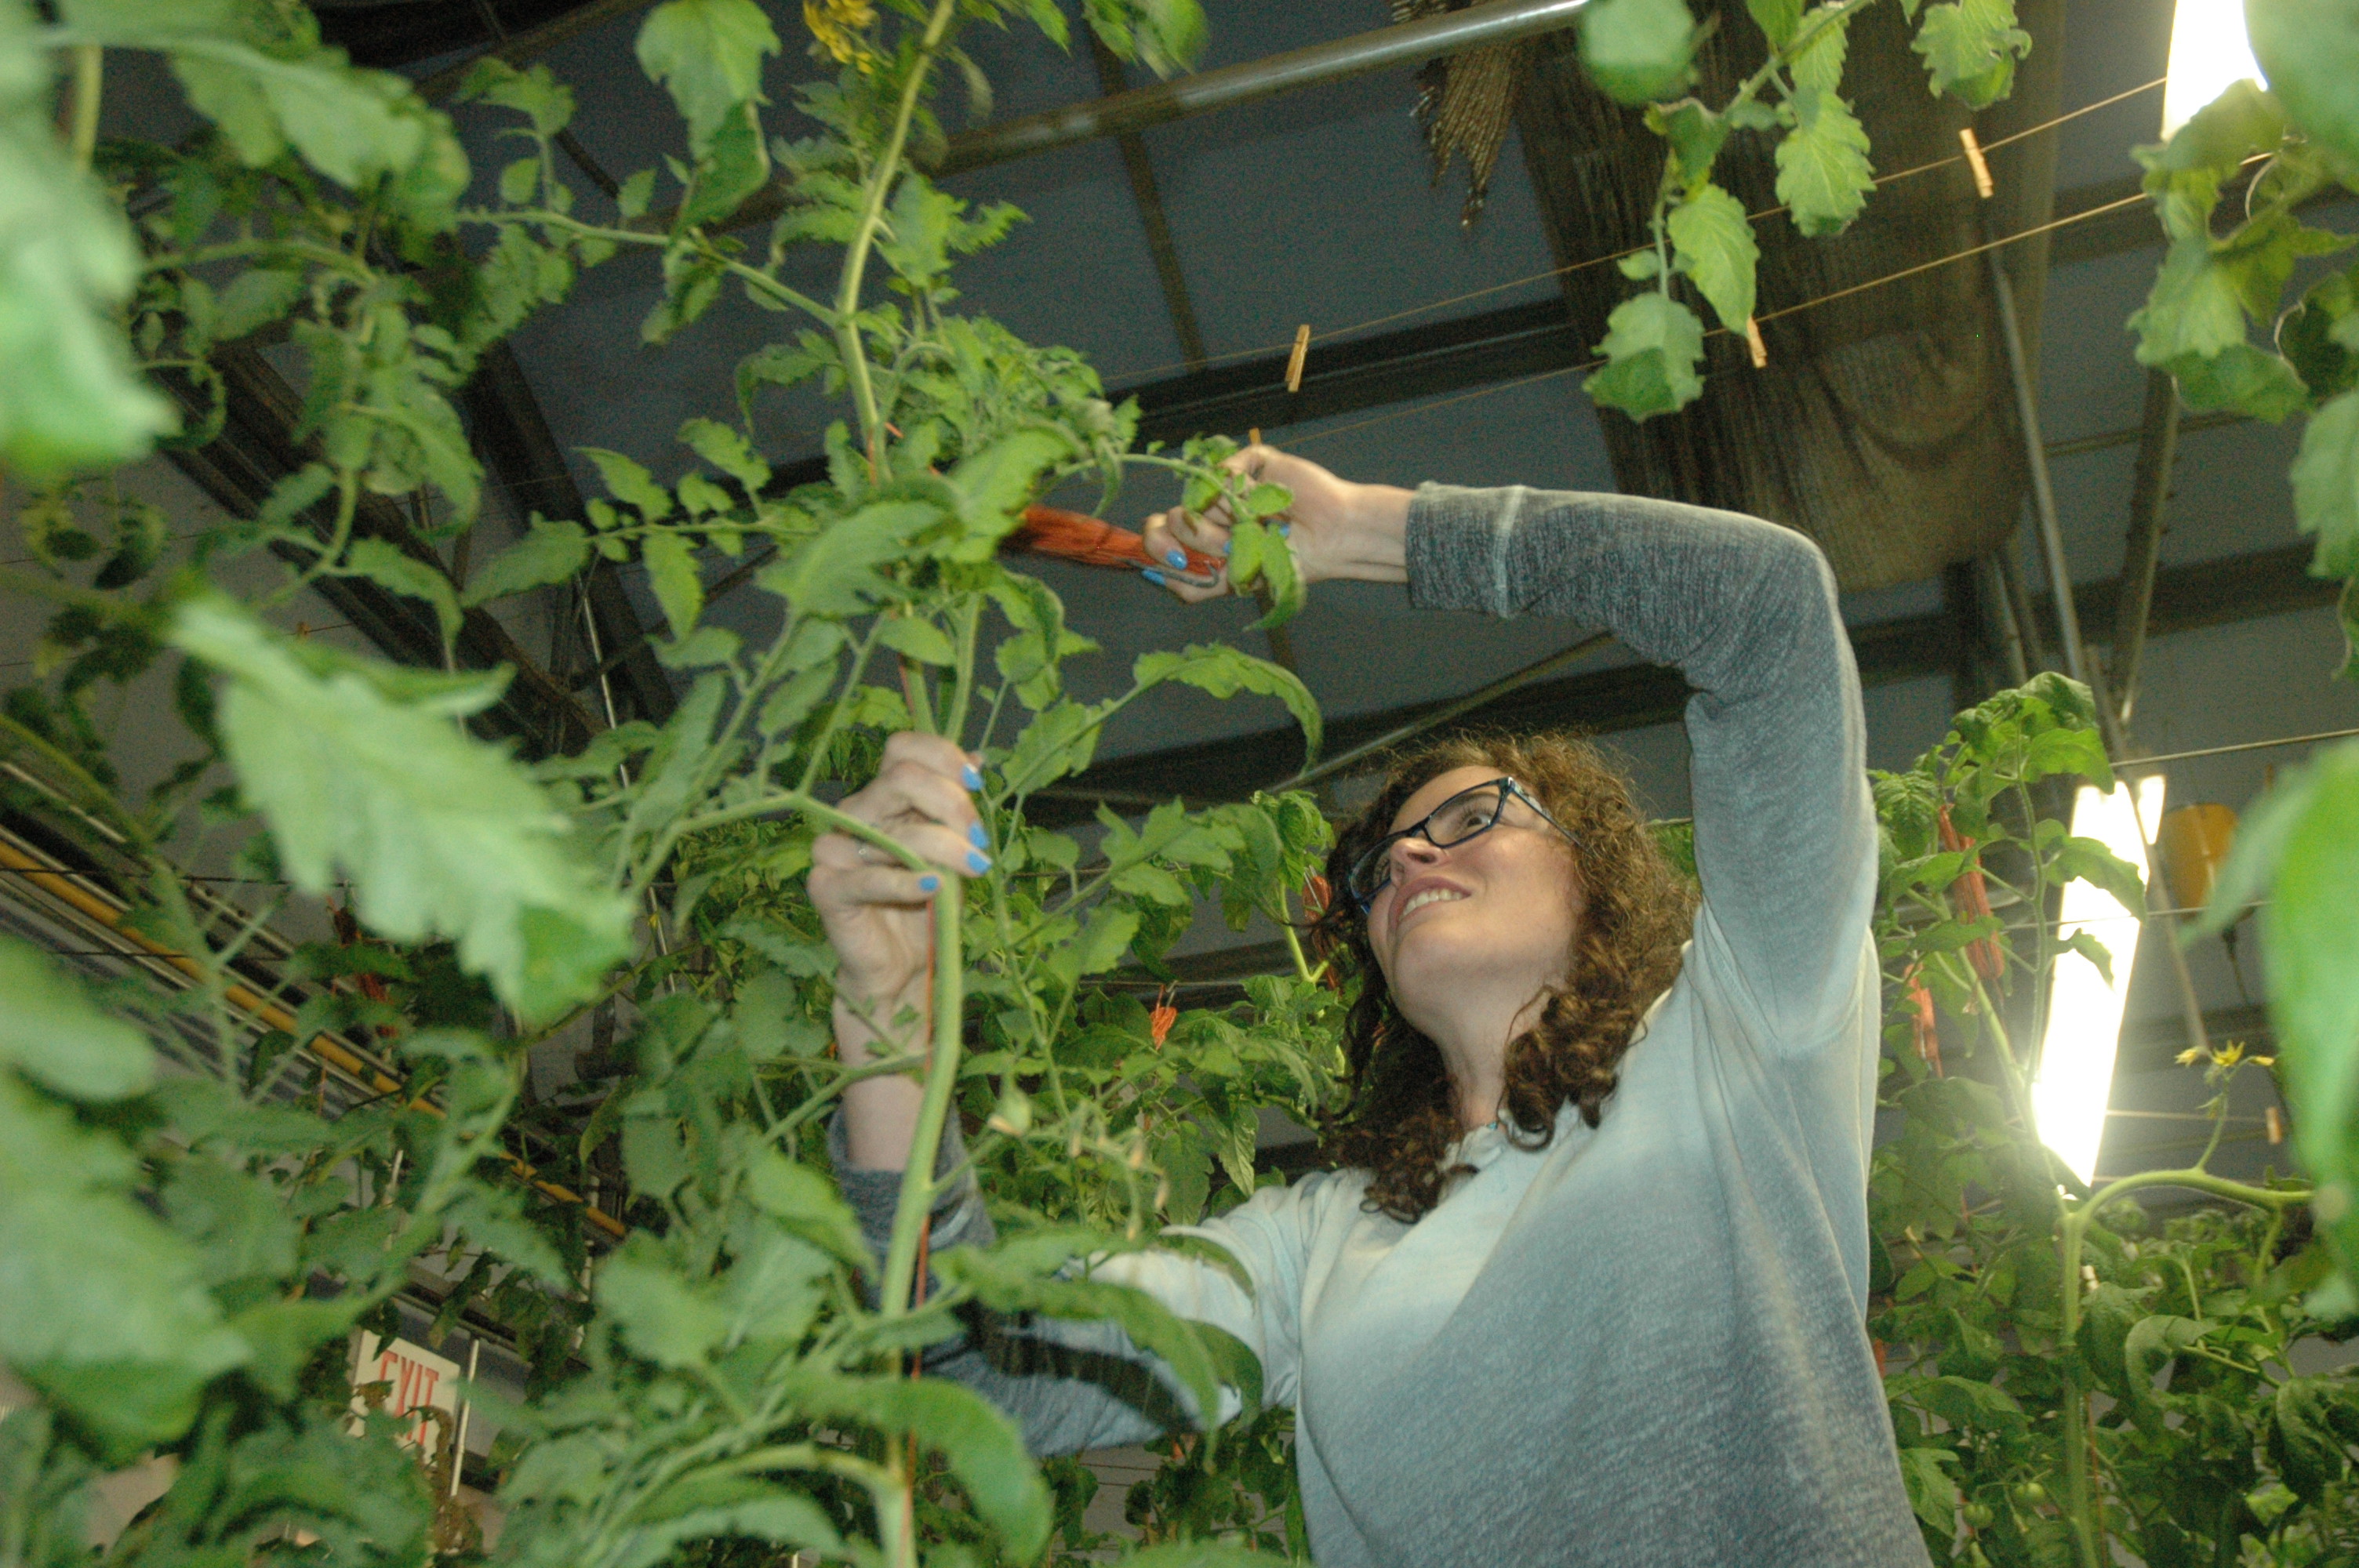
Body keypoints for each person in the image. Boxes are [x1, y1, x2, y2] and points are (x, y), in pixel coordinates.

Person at [807, 449, 1931, 1566]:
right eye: (1376, 866)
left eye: (1470, 817)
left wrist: (1364, 531)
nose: (1403, 861)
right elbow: (989, 1362)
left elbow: (1768, 609)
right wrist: (886, 1013)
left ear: (1596, 869)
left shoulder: (1740, 1037)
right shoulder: (1329, 1241)